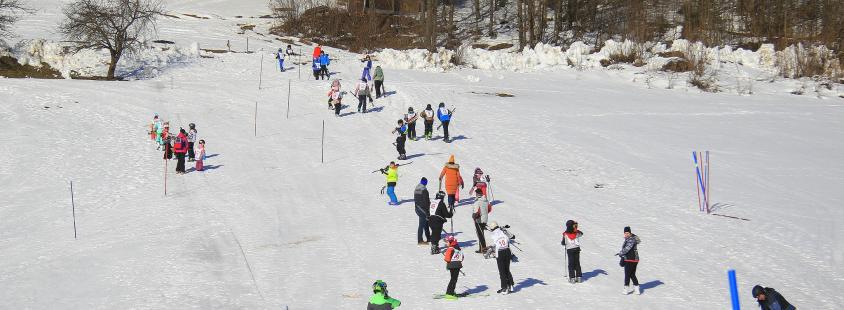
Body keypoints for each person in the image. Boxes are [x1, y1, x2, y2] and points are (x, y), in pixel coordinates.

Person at [489, 221, 514, 294]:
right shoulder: (503, 231)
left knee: (502, 271)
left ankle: (504, 288)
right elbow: (512, 236)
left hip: (500, 253)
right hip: (507, 251)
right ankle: (510, 285)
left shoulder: (493, 234)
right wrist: (504, 230)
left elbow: (495, 243)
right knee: (507, 269)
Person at [618, 226, 642, 295]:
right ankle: (637, 289)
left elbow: (627, 249)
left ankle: (626, 289)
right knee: (632, 274)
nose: (626, 234)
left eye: (627, 233)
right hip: (634, 259)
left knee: (627, 274)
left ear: (630, 233)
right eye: (625, 233)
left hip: (630, 259)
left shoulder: (631, 239)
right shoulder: (629, 239)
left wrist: (620, 253)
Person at [442, 235, 463, 300]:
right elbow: (462, 257)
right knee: (454, 279)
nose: (446, 243)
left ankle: (449, 293)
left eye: (447, 242)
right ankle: (451, 291)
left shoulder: (450, 248)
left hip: (452, 266)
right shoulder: (458, 247)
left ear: (450, 242)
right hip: (457, 265)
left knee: (452, 279)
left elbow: (447, 259)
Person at [414, 178, 432, 245]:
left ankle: (428, 237)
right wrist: (428, 212)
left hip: (417, 208)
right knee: (421, 225)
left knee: (426, 223)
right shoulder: (424, 190)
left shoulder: (417, 188)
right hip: (423, 210)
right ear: (425, 183)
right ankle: (420, 240)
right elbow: (426, 202)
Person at [471, 188, 489, 253]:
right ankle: (481, 248)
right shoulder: (486, 200)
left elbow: (476, 212)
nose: (476, 194)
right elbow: (489, 209)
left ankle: (483, 248)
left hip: (479, 220)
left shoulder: (477, 201)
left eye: (476, 193)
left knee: (480, 234)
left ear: (478, 194)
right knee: (481, 233)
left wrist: (474, 216)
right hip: (485, 219)